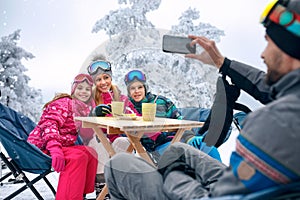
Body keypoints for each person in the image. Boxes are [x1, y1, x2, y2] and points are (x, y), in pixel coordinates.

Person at [103, 0, 300, 199]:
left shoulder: (277, 122)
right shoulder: (292, 102)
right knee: (178, 151)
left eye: (268, 42)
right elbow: (269, 89)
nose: (263, 54)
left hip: (218, 193)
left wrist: (175, 177)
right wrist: (223, 64)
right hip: (244, 183)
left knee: (118, 164)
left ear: (289, 48)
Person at [124, 69, 221, 161]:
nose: (137, 91)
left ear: (145, 88)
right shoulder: (129, 109)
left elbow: (179, 120)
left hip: (180, 139)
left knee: (207, 145)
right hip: (159, 147)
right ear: (129, 91)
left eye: (140, 87)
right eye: (132, 88)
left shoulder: (162, 101)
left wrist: (189, 137)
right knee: (187, 154)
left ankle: (222, 176)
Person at [27, 74, 98, 200]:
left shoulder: (82, 108)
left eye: (87, 89)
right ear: (73, 89)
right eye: (80, 88)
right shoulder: (64, 103)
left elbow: (87, 134)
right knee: (78, 158)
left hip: (62, 145)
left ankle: (80, 193)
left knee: (91, 153)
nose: (84, 92)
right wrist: (55, 148)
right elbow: (49, 124)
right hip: (43, 146)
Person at [86, 56, 138, 198]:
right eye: (98, 79)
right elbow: (82, 121)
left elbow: (135, 115)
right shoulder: (89, 98)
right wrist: (93, 114)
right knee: (100, 143)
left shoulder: (121, 98)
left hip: (118, 137)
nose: (103, 82)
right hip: (98, 138)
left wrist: (124, 113)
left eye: (106, 78)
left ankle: (120, 187)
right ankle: (103, 189)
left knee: (124, 143)